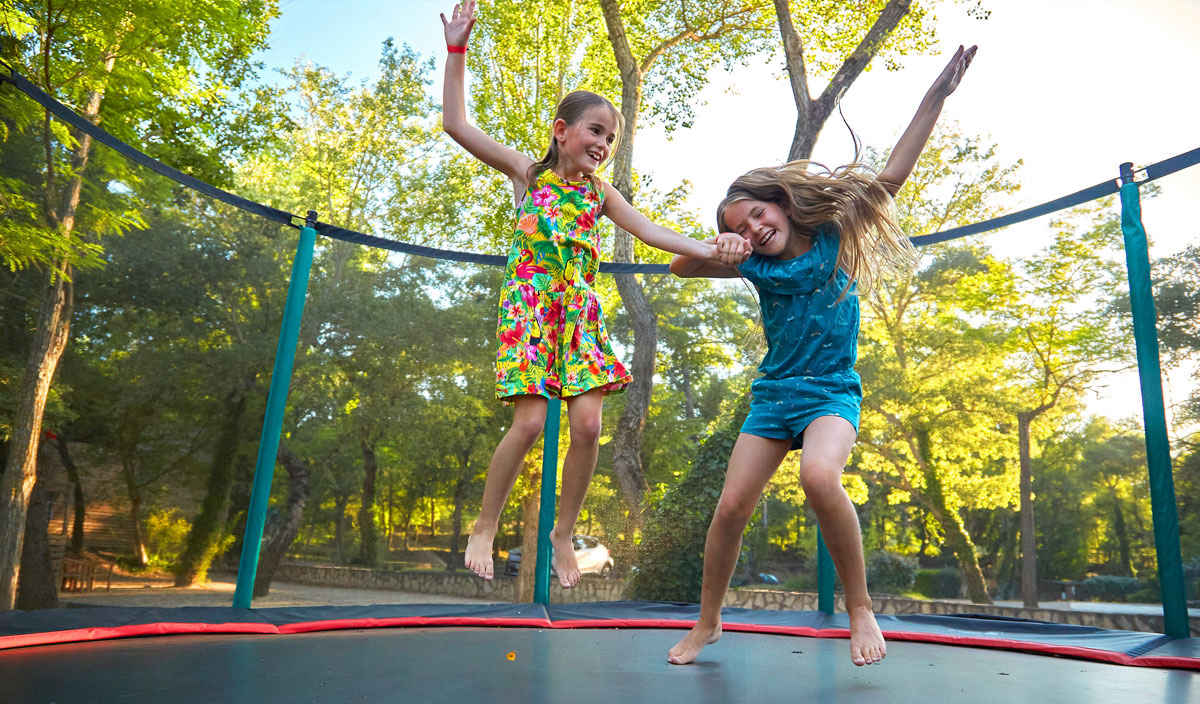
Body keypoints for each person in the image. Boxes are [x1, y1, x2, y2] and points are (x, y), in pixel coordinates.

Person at [666, 45, 977, 666]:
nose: (754, 230)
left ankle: (860, 609)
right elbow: (681, 268)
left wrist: (935, 96)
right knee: (730, 507)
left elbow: (891, 175)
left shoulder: (837, 232)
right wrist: (721, 244)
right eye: (744, 227)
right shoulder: (751, 261)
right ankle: (708, 622)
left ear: (779, 200)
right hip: (773, 396)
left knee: (818, 478)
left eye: (756, 214)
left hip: (832, 391)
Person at [440, 1, 738, 587]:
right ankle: (484, 524)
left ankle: (561, 532)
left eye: (611, 137)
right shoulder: (532, 175)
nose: (603, 143)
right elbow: (458, 125)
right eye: (595, 131)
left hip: (580, 315)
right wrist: (457, 51)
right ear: (562, 130)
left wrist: (713, 247)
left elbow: (652, 232)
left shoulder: (602, 195)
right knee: (527, 427)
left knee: (587, 429)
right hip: (529, 311)